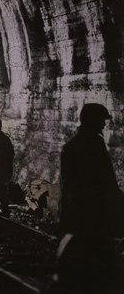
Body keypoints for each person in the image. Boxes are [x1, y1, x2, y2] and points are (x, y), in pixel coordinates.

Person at [58, 103, 124, 293]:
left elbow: (67, 186)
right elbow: (106, 182)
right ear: (92, 121)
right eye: (101, 121)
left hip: (78, 213)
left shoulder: (71, 146)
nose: (104, 125)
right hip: (94, 213)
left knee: (82, 260)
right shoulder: (94, 145)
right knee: (99, 260)